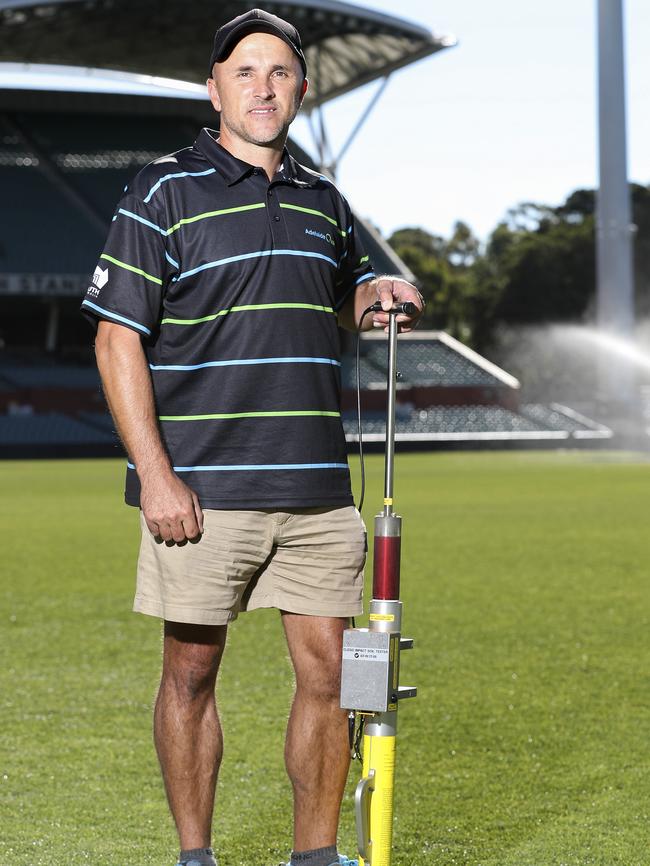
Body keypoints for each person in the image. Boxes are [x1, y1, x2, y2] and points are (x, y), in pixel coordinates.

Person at [81, 9, 423, 866]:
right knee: (191, 676)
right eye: (245, 72)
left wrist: (377, 290)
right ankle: (195, 857)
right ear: (214, 88)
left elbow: (339, 292)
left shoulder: (322, 198)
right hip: (203, 492)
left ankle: (313, 857)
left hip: (315, 493)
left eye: (279, 72)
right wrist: (155, 477)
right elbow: (116, 335)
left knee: (334, 678)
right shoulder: (164, 190)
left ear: (300, 89)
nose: (263, 87)